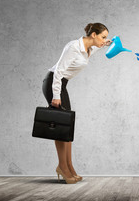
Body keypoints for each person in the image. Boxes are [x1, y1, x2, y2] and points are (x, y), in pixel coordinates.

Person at [42, 23, 111, 184]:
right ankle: (63, 167)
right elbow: (58, 71)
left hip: (62, 85)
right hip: (54, 83)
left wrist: (103, 45)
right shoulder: (74, 47)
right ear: (93, 34)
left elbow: (91, 50)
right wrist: (56, 95)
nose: (104, 40)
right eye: (103, 37)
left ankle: (69, 166)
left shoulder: (87, 49)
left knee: (67, 127)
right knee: (61, 127)